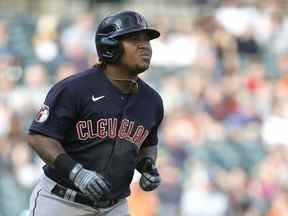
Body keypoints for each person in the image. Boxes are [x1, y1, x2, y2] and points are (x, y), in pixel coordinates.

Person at [27, 10, 164, 216]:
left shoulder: (152, 100)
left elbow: (147, 144)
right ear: (110, 46)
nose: (144, 45)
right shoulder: (74, 89)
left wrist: (147, 166)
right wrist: (77, 173)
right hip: (62, 201)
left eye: (147, 40)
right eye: (134, 39)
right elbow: (39, 137)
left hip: (114, 206)